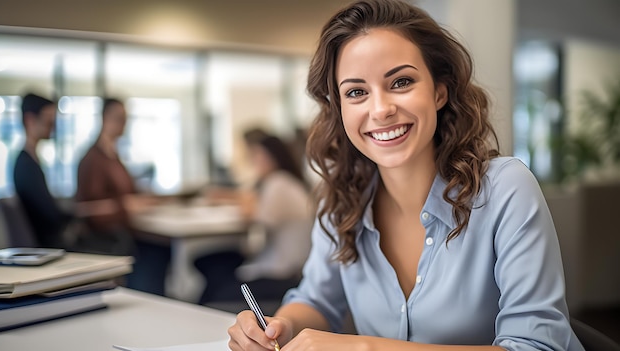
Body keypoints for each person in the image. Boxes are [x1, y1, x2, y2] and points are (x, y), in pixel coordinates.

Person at [228, 1, 585, 350]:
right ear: (339, 109)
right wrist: (280, 327)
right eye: (356, 92)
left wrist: (369, 347)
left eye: (400, 82)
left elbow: (537, 346)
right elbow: (317, 301)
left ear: (439, 92)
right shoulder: (340, 200)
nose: (380, 109)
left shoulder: (506, 189)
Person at [194, 130, 314, 308]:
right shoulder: (284, 182)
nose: (254, 162)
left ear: (274, 157)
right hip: (282, 263)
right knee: (210, 263)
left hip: (282, 271)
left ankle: (207, 311)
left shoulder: (279, 183)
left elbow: (256, 217)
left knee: (217, 282)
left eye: (259, 157)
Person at [76, 97, 170, 295]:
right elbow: (89, 207)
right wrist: (125, 206)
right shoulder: (93, 159)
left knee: (162, 249)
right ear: (104, 118)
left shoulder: (113, 155)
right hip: (107, 237)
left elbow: (126, 192)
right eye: (118, 118)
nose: (123, 124)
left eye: (125, 118)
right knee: (157, 253)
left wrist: (141, 199)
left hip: (124, 229)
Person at [13, 93, 74, 248]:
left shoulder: (31, 161)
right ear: (30, 120)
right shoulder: (26, 166)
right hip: (48, 247)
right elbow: (50, 216)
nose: (53, 127)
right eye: (48, 121)